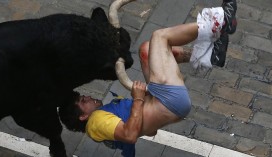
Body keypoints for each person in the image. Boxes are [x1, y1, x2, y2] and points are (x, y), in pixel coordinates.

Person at [59, 0, 237, 156]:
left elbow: (148, 131)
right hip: (169, 101)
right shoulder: (95, 123)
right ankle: (219, 22)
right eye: (83, 101)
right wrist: (137, 99)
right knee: (160, 37)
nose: (88, 97)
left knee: (146, 50)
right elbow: (130, 135)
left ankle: (210, 56)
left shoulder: (104, 117)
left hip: (163, 102)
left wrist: (148, 114)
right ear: (83, 117)